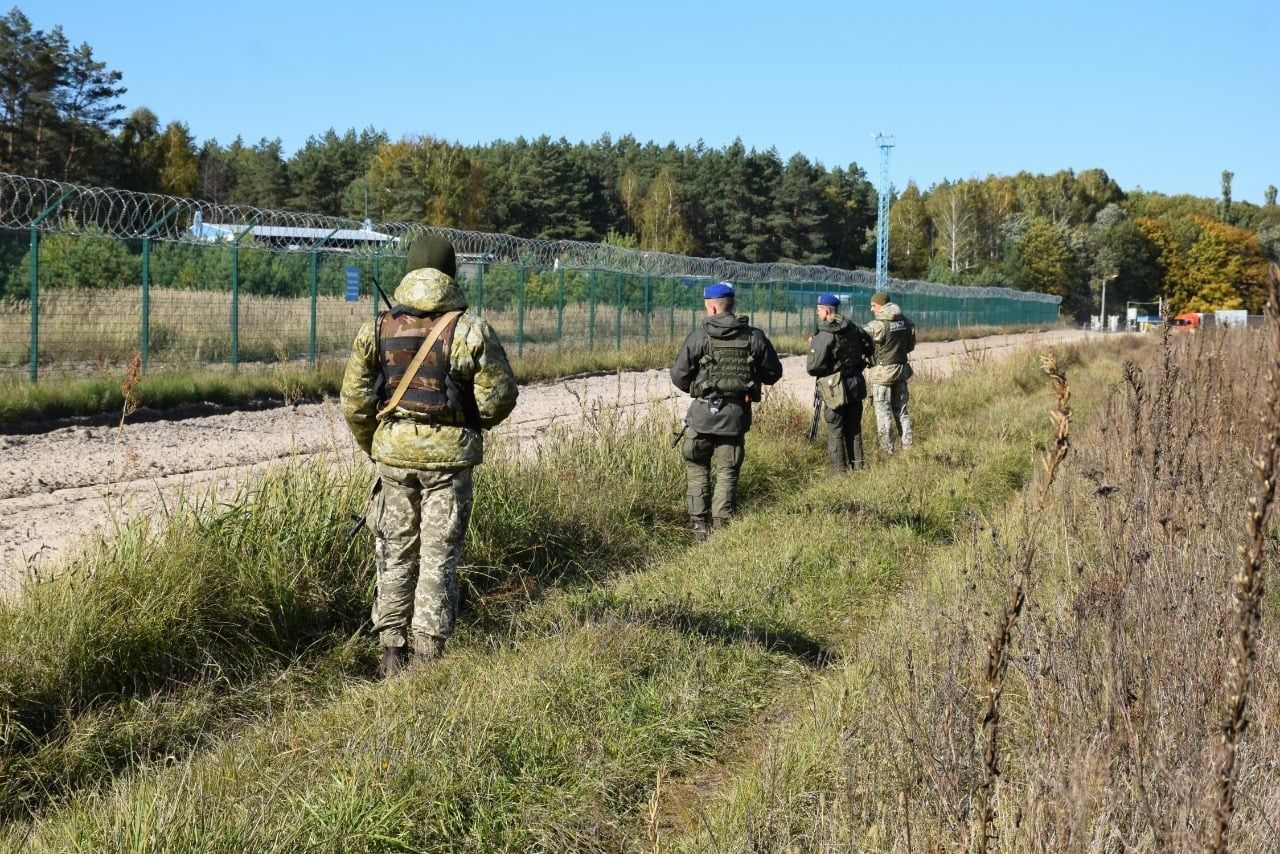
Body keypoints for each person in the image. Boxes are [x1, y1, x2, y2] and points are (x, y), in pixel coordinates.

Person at [341, 235, 518, 678]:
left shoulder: (377, 328)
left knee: (394, 550)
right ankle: (426, 656)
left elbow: (355, 402)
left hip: (394, 459)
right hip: (448, 463)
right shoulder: (470, 329)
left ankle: (390, 652)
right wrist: (468, 427)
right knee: (439, 555)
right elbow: (500, 398)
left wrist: (377, 447)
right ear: (450, 272)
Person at [670, 282, 783, 541]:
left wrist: (701, 389)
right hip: (735, 418)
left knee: (697, 467)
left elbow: (679, 376)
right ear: (731, 305)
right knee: (727, 473)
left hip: (701, 418)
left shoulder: (699, 336)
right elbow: (774, 373)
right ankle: (722, 529)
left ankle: (699, 529)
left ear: (711, 306)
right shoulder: (754, 337)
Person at [806, 293, 873, 472]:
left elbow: (813, 367)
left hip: (834, 390)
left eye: (819, 311)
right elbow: (870, 347)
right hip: (855, 384)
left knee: (835, 431)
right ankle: (858, 470)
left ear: (826, 311)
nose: (818, 314)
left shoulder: (825, 334)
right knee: (854, 430)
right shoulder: (854, 328)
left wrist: (813, 347)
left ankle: (840, 474)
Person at [863, 291, 916, 455]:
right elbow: (910, 346)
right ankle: (908, 448)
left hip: (881, 376)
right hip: (900, 372)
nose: (872, 309)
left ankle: (887, 451)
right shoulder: (906, 322)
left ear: (881, 305)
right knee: (902, 412)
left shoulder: (877, 325)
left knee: (883, 414)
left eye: (873, 306)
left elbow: (858, 336)